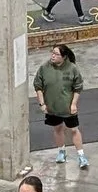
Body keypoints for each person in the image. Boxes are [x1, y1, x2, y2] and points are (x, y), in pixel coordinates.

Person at [34, 40, 89, 169]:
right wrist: (42, 103)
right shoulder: (44, 68)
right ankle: (61, 151)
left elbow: (78, 87)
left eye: (56, 54)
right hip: (52, 107)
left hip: (67, 107)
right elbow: (38, 86)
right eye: (52, 53)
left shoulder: (72, 69)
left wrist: (73, 104)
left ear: (63, 57)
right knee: (57, 128)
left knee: (74, 130)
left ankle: (81, 156)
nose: (52, 56)